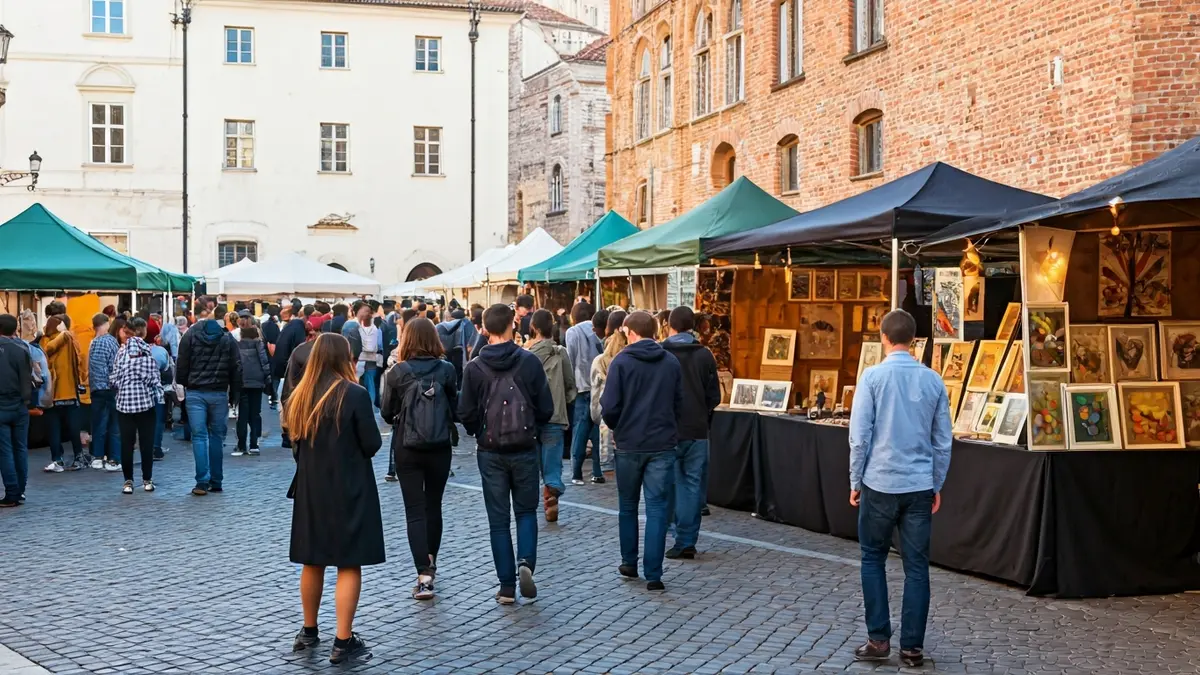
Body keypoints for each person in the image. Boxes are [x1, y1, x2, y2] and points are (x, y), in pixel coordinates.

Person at [848, 310, 951, 668]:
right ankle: (912, 647)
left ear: (884, 337)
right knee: (917, 567)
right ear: (914, 339)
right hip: (919, 482)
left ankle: (879, 639)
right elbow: (942, 441)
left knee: (872, 558)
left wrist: (855, 479)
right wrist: (937, 482)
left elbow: (860, 435)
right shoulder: (933, 380)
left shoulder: (873, 376)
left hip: (880, 480)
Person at [285, 333, 383, 664]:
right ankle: (343, 640)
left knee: (312, 559)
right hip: (348, 485)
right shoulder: (353, 394)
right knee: (348, 561)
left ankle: (308, 630)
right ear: (344, 358)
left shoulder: (300, 395)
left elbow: (295, 445)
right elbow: (371, 444)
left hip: (311, 488)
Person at [458, 304, 553, 604]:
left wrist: (478, 430)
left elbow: (465, 412)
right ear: (514, 324)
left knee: (498, 520)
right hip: (524, 446)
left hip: (490, 450)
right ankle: (526, 561)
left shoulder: (474, 367)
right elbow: (546, 408)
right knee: (526, 512)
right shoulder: (529, 362)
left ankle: (506, 586)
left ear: (484, 329)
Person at [600, 311, 682, 592]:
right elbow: (680, 402)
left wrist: (618, 427)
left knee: (628, 505)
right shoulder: (670, 362)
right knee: (658, 507)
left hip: (629, 443)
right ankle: (654, 572)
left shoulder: (621, 361)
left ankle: (629, 561)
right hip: (662, 443)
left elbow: (608, 406)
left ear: (630, 332)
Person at [380, 318, 458, 600]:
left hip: (407, 446)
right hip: (439, 445)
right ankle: (431, 560)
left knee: (414, 510)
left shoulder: (397, 372)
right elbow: (455, 407)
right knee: (433, 505)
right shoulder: (447, 370)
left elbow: (386, 412)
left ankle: (424, 575)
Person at [660, 306, 720, 559]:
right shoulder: (704, 355)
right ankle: (687, 539)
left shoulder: (662, 353)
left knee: (670, 483)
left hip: (668, 428)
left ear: (670, 326)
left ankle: (675, 534)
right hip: (696, 428)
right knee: (692, 485)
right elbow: (714, 395)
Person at [177, 303, 242, 496]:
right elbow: (236, 367)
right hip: (219, 392)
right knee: (217, 437)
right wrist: (234, 394)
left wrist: (183, 384)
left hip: (196, 391)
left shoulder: (191, 334)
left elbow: (182, 362)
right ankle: (216, 480)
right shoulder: (226, 337)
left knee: (199, 436)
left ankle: (202, 481)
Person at [526, 309, 576, 522]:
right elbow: (570, 385)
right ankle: (552, 490)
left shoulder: (525, 355)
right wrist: (564, 402)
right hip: (555, 415)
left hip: (531, 417)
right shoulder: (560, 352)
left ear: (533, 328)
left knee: (533, 461)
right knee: (553, 462)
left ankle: (538, 495)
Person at [110, 318, 162, 494]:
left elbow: (113, 379)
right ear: (144, 332)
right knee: (147, 444)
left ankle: (128, 482)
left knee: (127, 444)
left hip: (124, 405)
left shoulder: (121, 352)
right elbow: (154, 379)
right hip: (146, 404)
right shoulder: (147, 352)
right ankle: (147, 480)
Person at [40, 312, 88, 472]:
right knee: (74, 428)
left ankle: (57, 460)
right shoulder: (69, 339)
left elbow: (46, 351)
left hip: (52, 395)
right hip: (70, 393)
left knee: (54, 429)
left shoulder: (46, 340)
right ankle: (78, 457)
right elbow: (80, 360)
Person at [564, 302, 604, 485]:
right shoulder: (599, 328)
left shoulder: (573, 332)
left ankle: (576, 473)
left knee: (579, 431)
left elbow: (570, 359)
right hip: (599, 388)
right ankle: (597, 472)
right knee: (597, 432)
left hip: (581, 388)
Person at [0, 314, 32, 506]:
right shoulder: (22, 349)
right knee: (20, 448)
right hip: (20, 405)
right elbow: (27, 379)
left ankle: (11, 491)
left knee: (5, 451)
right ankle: (20, 490)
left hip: (1, 406)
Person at [590, 310, 626, 473]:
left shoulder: (601, 361)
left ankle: (606, 463)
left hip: (609, 421)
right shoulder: (632, 359)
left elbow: (597, 398)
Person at [88, 314, 125, 472]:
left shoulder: (93, 343)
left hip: (96, 389)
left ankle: (97, 457)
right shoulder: (111, 342)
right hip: (111, 389)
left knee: (98, 424)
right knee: (114, 425)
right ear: (107, 323)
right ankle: (114, 459)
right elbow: (115, 367)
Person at [235, 325, 272, 457]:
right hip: (257, 382)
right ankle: (254, 444)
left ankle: (241, 444)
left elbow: (235, 363)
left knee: (243, 415)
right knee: (255, 413)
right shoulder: (259, 345)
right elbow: (264, 361)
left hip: (242, 382)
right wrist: (267, 378)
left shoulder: (237, 345)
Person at [342, 301, 382, 407]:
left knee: (367, 387)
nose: (367, 313)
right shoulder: (351, 325)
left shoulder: (364, 325)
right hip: (358, 362)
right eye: (365, 310)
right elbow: (351, 347)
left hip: (365, 362)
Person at [436, 308, 478, 388]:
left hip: (447, 353)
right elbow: (469, 342)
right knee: (459, 373)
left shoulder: (443, 326)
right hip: (460, 352)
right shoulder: (467, 324)